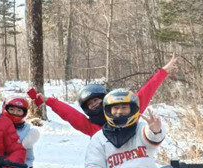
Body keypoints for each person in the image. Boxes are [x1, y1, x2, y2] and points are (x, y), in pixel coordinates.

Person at [28, 55, 179, 136]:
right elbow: (70, 114)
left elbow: (146, 91)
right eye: (89, 104)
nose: (93, 104)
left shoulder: (127, 115)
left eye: (95, 100)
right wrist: (49, 101)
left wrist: (163, 72)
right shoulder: (91, 127)